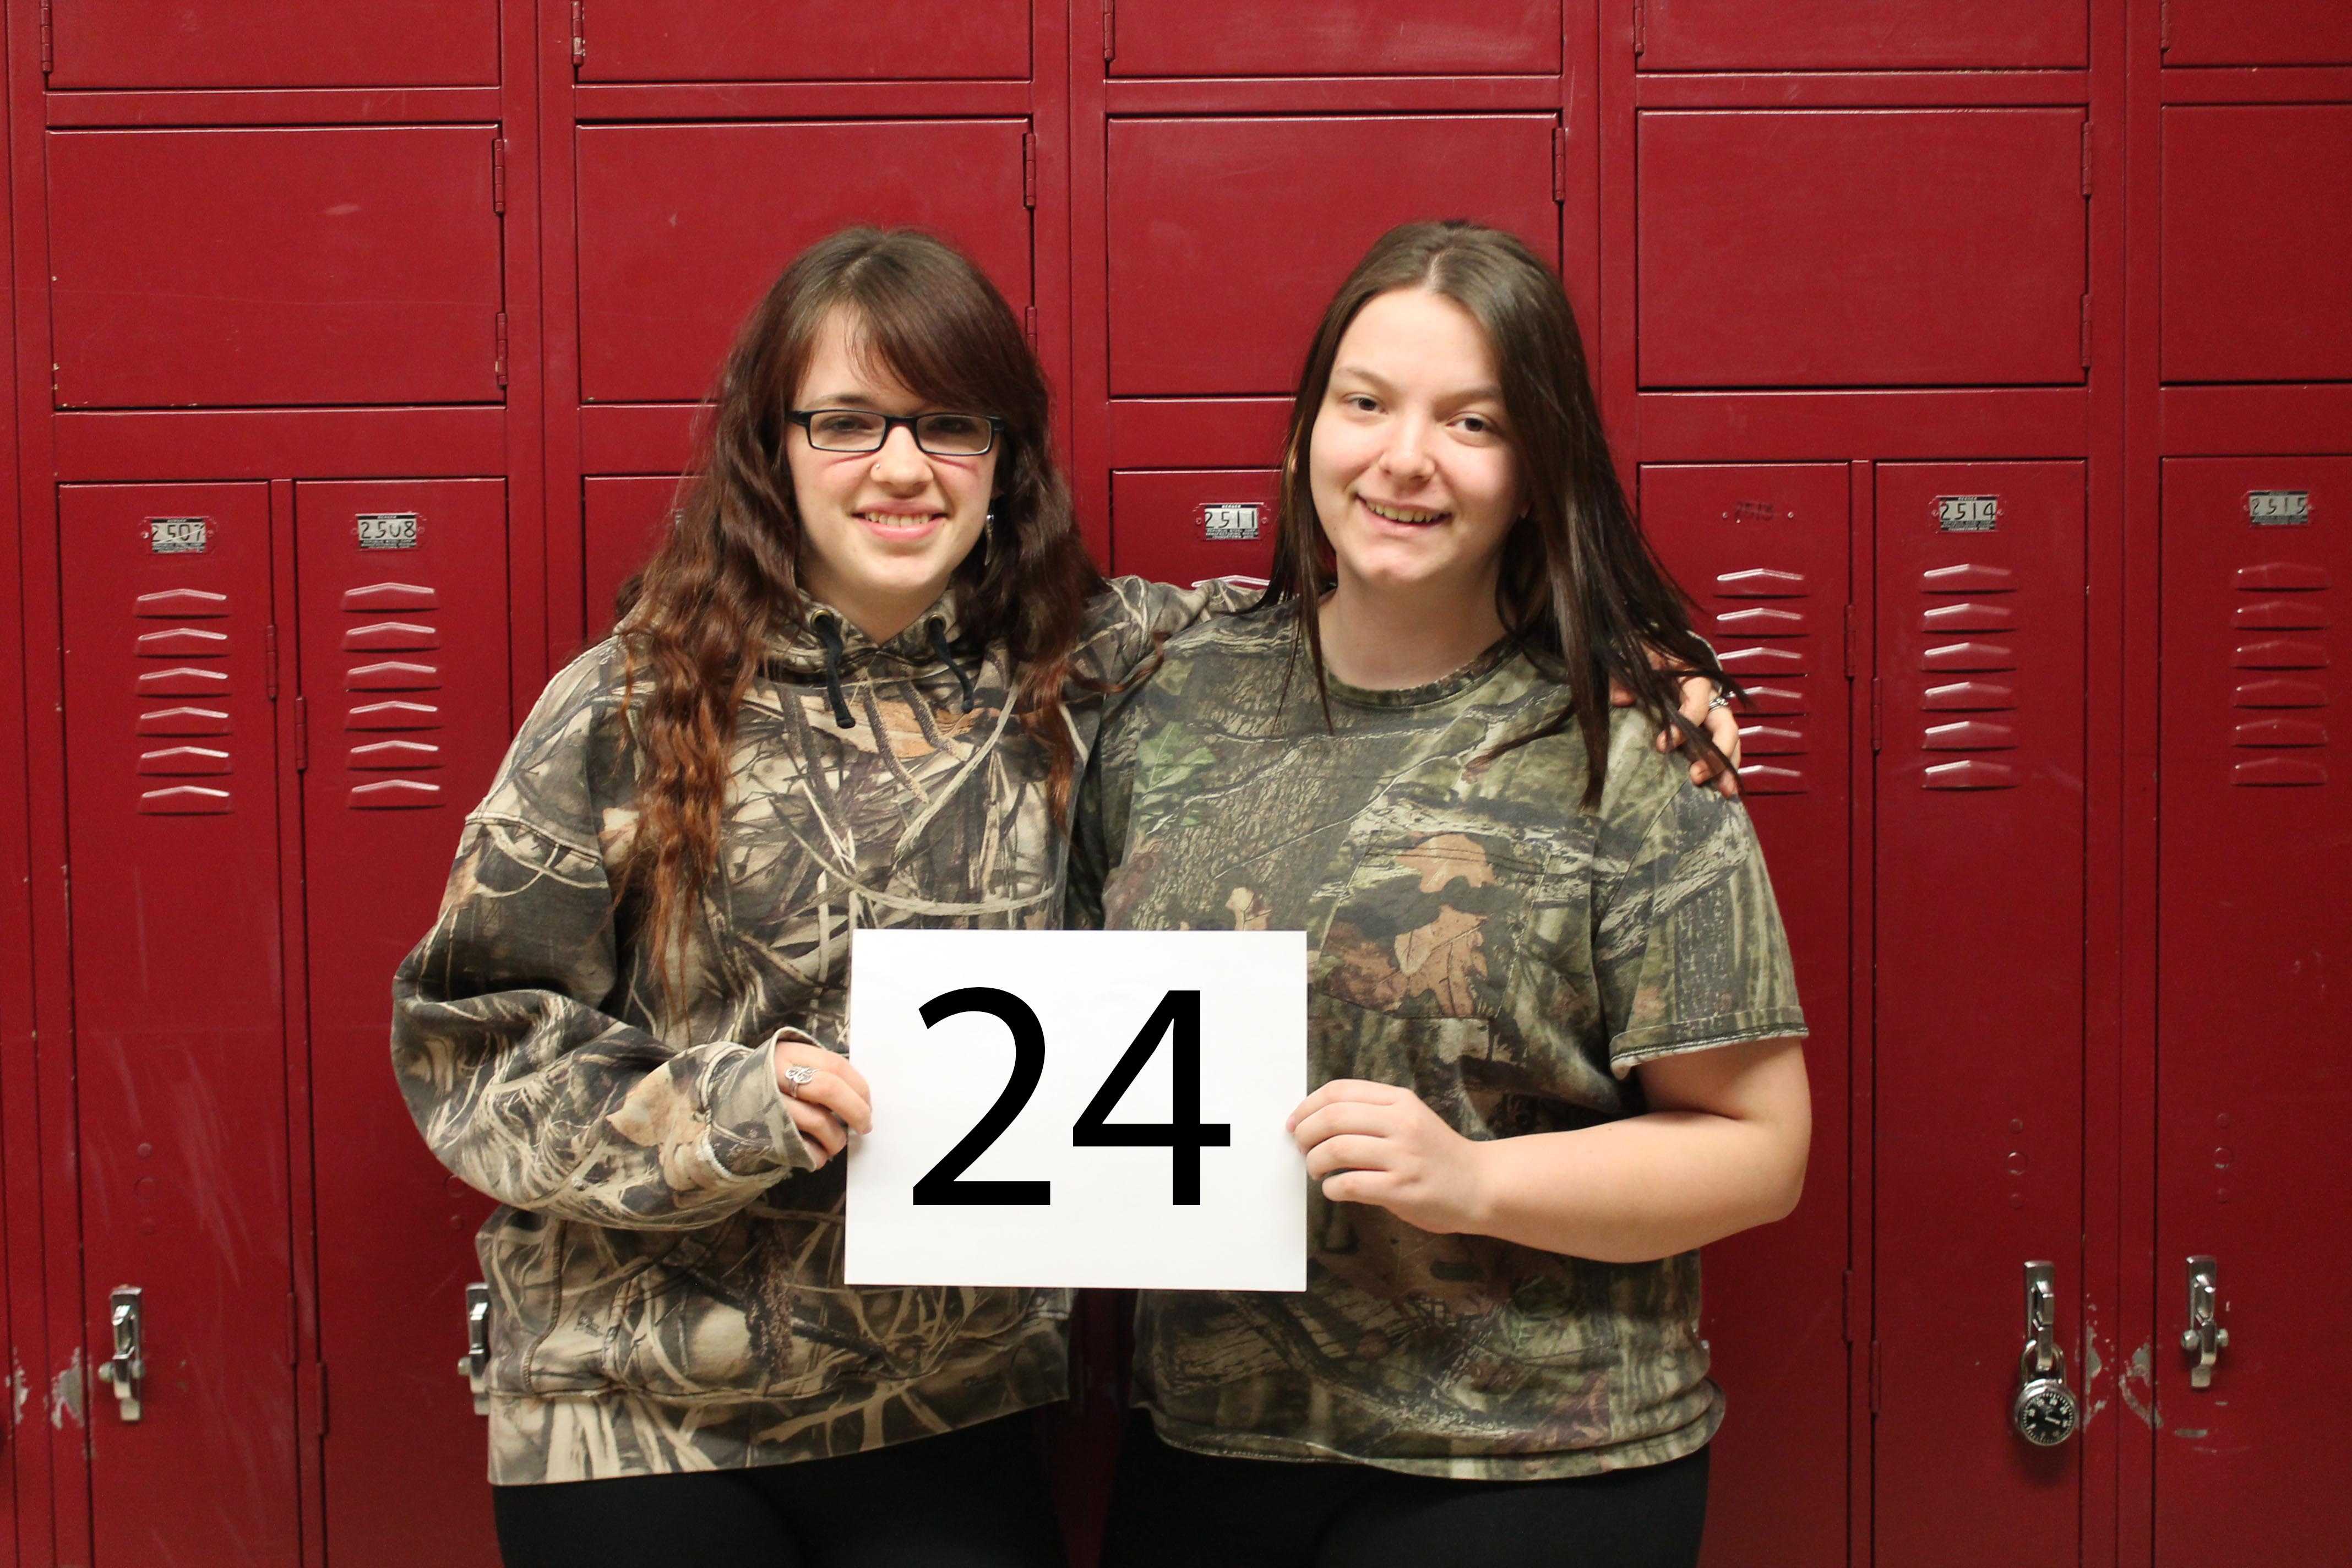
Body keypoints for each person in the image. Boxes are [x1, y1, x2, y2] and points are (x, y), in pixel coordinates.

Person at [392, 226, 1743, 1568]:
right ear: (774, 445)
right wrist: (726, 1110)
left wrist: (1623, 657)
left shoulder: (1100, 668)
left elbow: (1350, 613)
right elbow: (469, 1045)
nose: (904, 467)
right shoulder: (627, 702)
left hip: (943, 1405)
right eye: (848, 423)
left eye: (950, 424)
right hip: (635, 1414)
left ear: (1004, 456)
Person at [1076, 221, 1811, 1568]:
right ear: (1309, 432)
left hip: (1529, 1461)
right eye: (1364, 404)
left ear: (1536, 472)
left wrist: (1472, 1178)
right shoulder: (1168, 691)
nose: (1403, 457)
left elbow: (1758, 1148)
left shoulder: (1631, 739)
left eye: (1471, 421)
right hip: (1211, 1442)